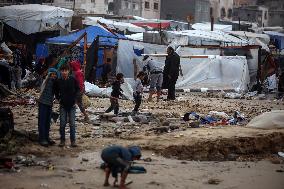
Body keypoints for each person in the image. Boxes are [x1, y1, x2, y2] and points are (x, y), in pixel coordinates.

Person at [55, 64, 80, 147]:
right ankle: (62, 140)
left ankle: (73, 141)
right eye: (63, 71)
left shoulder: (73, 79)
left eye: (66, 70)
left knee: (72, 124)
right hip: (63, 105)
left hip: (72, 105)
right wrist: (59, 99)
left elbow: (78, 89)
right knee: (62, 123)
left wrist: (75, 99)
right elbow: (56, 91)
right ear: (60, 71)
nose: (64, 72)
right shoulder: (58, 81)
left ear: (69, 71)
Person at [37, 68, 59, 147]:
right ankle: (42, 138)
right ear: (49, 74)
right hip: (43, 103)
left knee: (47, 121)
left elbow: (57, 93)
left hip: (49, 104)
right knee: (42, 121)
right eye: (51, 74)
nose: (53, 76)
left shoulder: (55, 82)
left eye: (55, 74)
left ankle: (46, 137)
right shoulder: (47, 81)